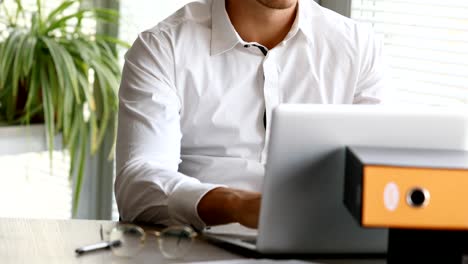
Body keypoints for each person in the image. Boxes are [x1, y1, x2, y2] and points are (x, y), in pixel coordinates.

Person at [115, 0, 387, 231]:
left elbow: (380, 172)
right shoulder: (162, 48)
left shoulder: (358, 47)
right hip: (197, 245)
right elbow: (137, 185)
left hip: (317, 245)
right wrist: (236, 205)